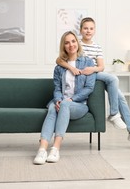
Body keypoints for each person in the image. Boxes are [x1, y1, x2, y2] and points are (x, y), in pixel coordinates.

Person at [56, 17, 130, 145]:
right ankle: (116, 116)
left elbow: (101, 67)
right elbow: (59, 60)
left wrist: (91, 69)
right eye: (85, 28)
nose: (88, 31)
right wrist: (72, 68)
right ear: (80, 30)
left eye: (91, 28)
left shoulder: (97, 47)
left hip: (93, 74)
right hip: (83, 77)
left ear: (95, 30)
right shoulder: (75, 43)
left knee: (120, 96)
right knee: (113, 79)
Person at [33, 31, 96, 165]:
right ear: (64, 46)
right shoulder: (59, 68)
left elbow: (89, 88)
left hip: (78, 104)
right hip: (61, 101)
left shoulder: (88, 62)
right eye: (67, 42)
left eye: (73, 41)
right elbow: (57, 88)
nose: (71, 45)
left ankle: (55, 148)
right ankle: (42, 150)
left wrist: (71, 100)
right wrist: (58, 100)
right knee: (51, 108)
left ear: (77, 43)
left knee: (65, 105)